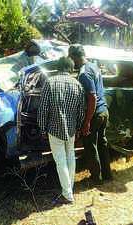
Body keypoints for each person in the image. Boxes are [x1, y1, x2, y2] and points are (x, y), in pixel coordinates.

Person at [37, 56, 85, 204]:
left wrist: (43, 129)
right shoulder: (78, 85)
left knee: (61, 161)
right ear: (71, 70)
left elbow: (43, 110)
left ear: (57, 68)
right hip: (71, 129)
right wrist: (78, 128)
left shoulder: (49, 83)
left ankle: (67, 195)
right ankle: (69, 190)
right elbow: (81, 111)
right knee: (70, 156)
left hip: (54, 129)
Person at [68, 44, 112, 185]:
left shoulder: (84, 73)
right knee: (102, 143)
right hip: (104, 111)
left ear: (73, 57)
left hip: (94, 114)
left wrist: (86, 121)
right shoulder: (94, 66)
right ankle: (107, 174)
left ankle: (96, 179)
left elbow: (92, 97)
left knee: (91, 147)